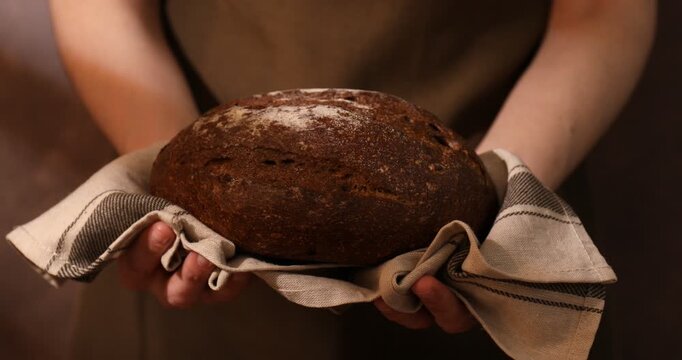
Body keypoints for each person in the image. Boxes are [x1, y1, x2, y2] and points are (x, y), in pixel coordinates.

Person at [49, 0, 655, 358]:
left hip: (493, 253)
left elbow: (600, 10)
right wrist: (180, 202)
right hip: (192, 286)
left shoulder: (492, 228)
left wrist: (495, 208)